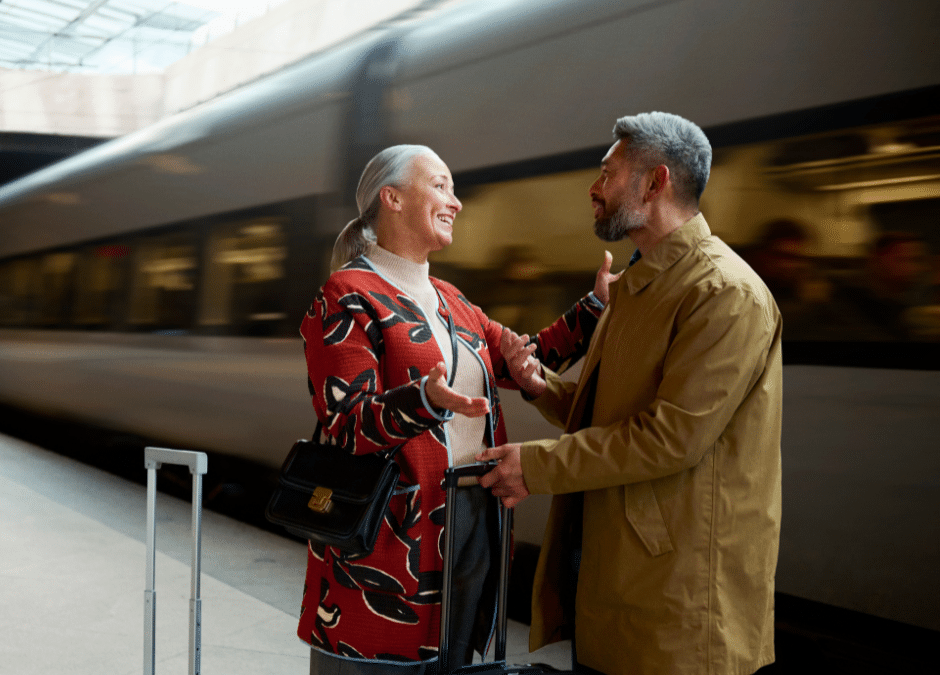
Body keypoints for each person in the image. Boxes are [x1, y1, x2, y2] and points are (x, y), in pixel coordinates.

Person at [479, 112, 783, 675]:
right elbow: (612, 414)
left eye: (608, 174)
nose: (594, 189)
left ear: (654, 183)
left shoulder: (725, 294)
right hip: (622, 576)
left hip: (681, 600)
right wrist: (541, 386)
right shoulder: (642, 286)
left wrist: (537, 467)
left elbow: (671, 439)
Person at [298, 144, 617, 674]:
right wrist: (423, 401)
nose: (457, 202)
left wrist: (596, 305)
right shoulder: (347, 295)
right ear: (392, 198)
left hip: (469, 519)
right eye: (441, 185)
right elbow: (346, 424)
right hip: (390, 531)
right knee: (381, 663)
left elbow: (526, 358)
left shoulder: (452, 300)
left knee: (451, 663)